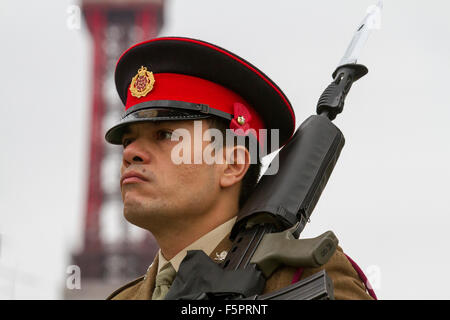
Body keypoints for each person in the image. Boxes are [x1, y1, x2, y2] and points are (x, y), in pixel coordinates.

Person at [104, 37, 376, 300]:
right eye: (128, 140)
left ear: (232, 165)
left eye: (163, 135)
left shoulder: (307, 274)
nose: (130, 153)